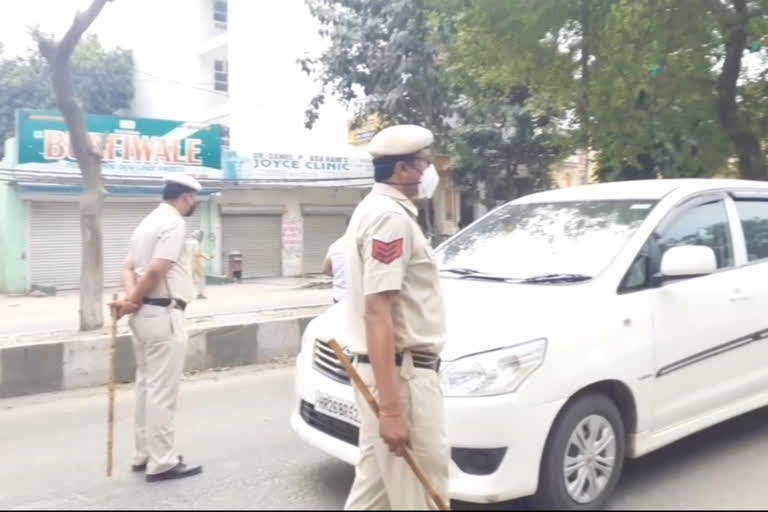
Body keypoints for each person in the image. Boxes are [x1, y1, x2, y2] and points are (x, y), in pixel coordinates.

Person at [342, 124, 448, 510]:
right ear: (403, 170)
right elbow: (378, 311)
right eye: (424, 162)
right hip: (402, 377)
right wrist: (391, 410)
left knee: (375, 494)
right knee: (421, 497)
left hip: (385, 372)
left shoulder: (372, 209)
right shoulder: (391, 219)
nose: (429, 171)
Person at [110, 173, 204, 483]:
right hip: (164, 315)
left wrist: (130, 302)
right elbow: (155, 271)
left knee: (146, 386)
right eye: (193, 199)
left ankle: (143, 454)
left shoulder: (146, 223)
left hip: (144, 316)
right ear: (186, 197)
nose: (193, 204)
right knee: (162, 392)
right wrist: (131, 301)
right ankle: (162, 462)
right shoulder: (174, 223)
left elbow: (128, 268)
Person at [322, 230, 347, 304]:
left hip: (339, 295)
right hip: (359, 298)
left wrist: (340, 276)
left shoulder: (335, 245)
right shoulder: (365, 244)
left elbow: (325, 269)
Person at [185, 230, 210, 299]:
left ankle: (187, 295)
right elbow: (197, 253)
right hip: (196, 263)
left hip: (188, 263)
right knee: (201, 278)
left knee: (189, 279)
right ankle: (200, 294)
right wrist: (206, 257)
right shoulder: (195, 242)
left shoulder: (187, 242)